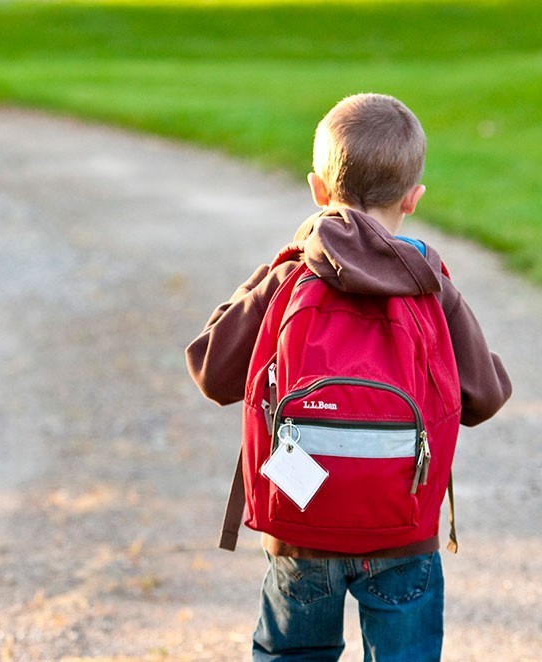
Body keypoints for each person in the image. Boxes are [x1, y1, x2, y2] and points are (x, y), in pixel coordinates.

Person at [186, 93, 511, 661]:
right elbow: (484, 398)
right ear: (414, 198)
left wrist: (270, 273)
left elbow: (213, 371)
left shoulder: (291, 274)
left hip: (301, 523)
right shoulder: (430, 282)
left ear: (317, 189)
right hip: (402, 528)